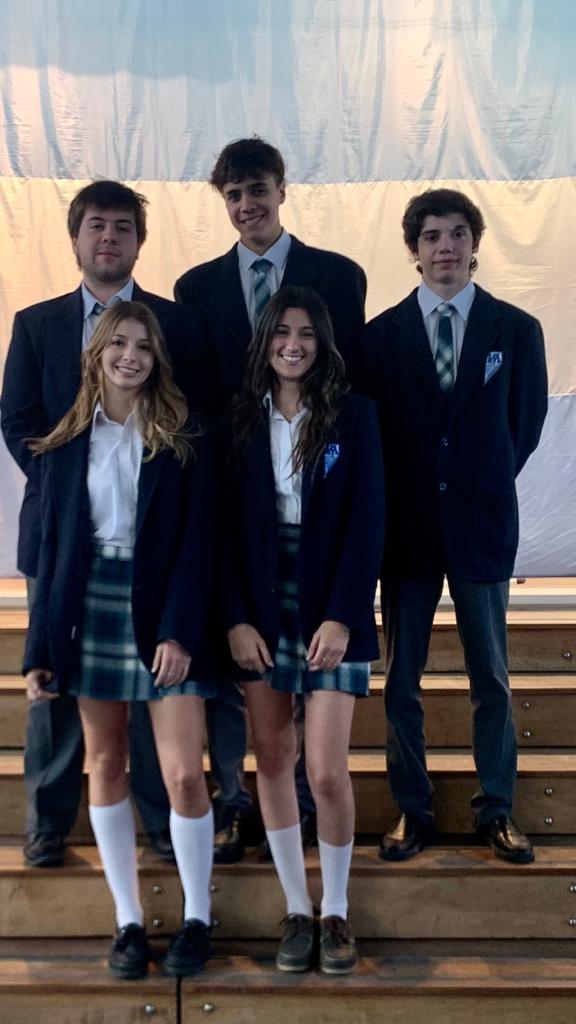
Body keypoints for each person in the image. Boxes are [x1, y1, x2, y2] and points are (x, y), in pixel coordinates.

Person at [1, 180, 208, 867]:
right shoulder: (37, 323)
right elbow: (17, 419)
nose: (109, 237)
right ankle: (48, 823)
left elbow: (192, 420)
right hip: (59, 538)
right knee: (56, 687)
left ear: (139, 242)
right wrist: (66, 482)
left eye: (123, 227)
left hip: (149, 538)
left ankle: (159, 818)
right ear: (76, 237)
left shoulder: (173, 324)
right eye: (97, 225)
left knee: (152, 681)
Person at [175, 137, 367, 861]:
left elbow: (349, 381)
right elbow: (198, 393)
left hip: (314, 491)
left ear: (282, 190)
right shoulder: (197, 288)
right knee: (238, 671)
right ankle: (236, 802)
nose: (247, 204)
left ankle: (310, 813)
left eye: (258, 189)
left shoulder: (338, 277)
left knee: (312, 702)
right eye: (234, 194)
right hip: (234, 488)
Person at [23, 301, 216, 979]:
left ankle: (199, 917)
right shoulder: (65, 444)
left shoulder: (184, 437)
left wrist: (180, 631)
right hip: (92, 609)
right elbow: (52, 554)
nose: (130, 356)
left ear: (156, 358)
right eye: (118, 344)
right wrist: (39, 651)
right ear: (96, 354)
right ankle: (128, 921)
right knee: (104, 765)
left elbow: (199, 545)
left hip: (164, 610)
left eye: (142, 346)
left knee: (183, 773)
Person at [356, 188, 548, 864]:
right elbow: (373, 433)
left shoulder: (514, 330)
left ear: (474, 243)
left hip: (480, 525)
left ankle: (496, 808)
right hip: (407, 531)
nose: (445, 247)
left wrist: (479, 478)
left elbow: (524, 424)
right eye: (432, 235)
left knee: (490, 676)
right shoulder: (381, 337)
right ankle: (413, 808)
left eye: (457, 233)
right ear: (414, 249)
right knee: (401, 679)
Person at [221, 285, 384, 974]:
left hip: (330, 598)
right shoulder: (236, 419)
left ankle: (336, 910)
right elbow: (222, 532)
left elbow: (368, 522)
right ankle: (296, 907)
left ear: (323, 343)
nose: (293, 345)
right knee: (273, 758)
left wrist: (344, 614)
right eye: (282, 332)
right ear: (265, 341)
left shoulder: (355, 415)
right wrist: (235, 618)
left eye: (307, 334)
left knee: (324, 769)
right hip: (261, 602)